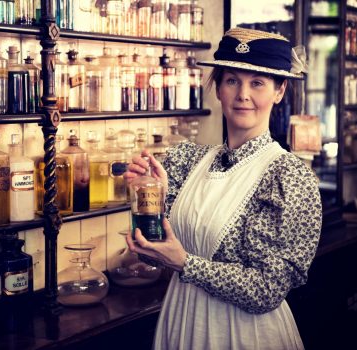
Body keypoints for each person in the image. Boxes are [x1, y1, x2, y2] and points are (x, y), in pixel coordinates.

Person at [124, 27, 322, 350]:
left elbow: (267, 290)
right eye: (232, 80)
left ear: (280, 90)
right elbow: (156, 255)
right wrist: (149, 201)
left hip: (246, 336)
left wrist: (186, 265)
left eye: (257, 82)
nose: (243, 94)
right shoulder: (187, 160)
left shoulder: (289, 179)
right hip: (181, 325)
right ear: (218, 88)